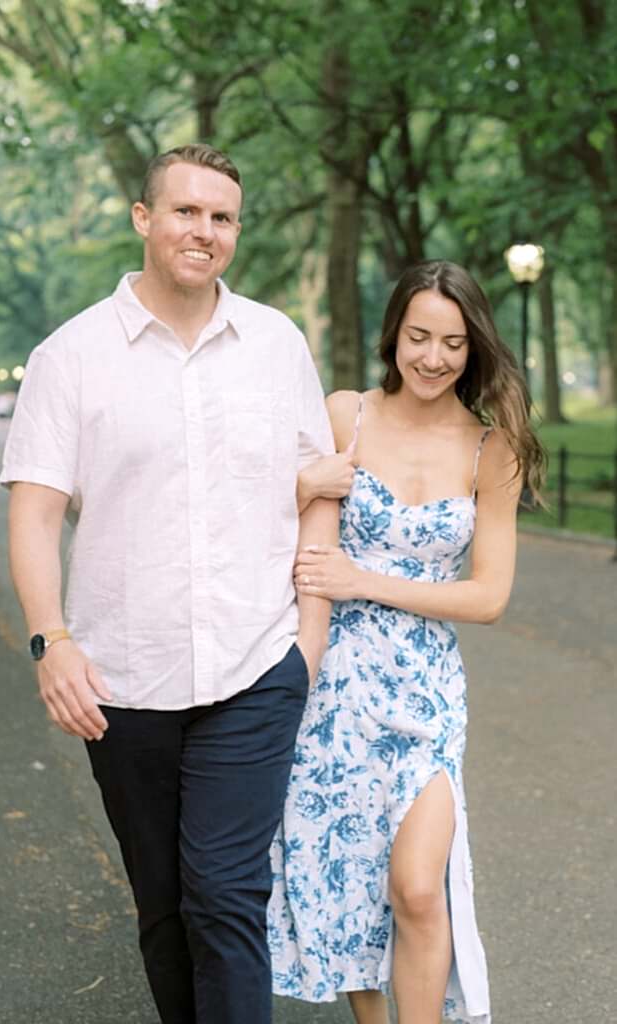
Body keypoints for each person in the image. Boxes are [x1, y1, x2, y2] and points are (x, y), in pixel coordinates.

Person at [0, 143, 338, 1024]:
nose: (205, 231)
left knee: (226, 897)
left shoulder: (275, 343)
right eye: (186, 211)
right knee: (164, 903)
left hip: (255, 664)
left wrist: (308, 639)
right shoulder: (69, 356)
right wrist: (52, 642)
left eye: (221, 217)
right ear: (144, 219)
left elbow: (315, 487)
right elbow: (35, 514)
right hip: (123, 674)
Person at [268, 260, 546, 1024]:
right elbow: (270, 514)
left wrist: (365, 579)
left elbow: (487, 596)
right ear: (394, 333)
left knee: (418, 887)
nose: (432, 357)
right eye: (418, 336)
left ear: (473, 346)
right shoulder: (342, 415)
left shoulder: (494, 448)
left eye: (452, 342)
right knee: (353, 879)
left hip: (423, 689)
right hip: (330, 684)